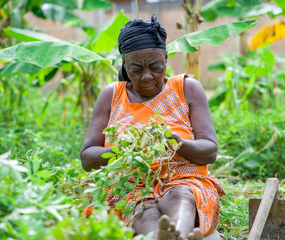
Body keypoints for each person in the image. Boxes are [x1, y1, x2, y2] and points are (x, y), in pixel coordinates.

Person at [80, 14, 225, 240]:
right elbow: (87, 158)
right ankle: (164, 236)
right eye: (136, 69)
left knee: (183, 197)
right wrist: (123, 152)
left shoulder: (187, 88)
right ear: (124, 65)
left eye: (155, 67)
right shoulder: (111, 95)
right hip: (128, 185)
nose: (147, 77)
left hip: (182, 179)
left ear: (166, 59)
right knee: (140, 208)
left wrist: (179, 143)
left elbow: (210, 151)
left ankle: (177, 231)